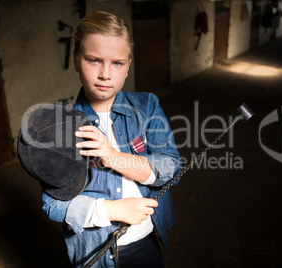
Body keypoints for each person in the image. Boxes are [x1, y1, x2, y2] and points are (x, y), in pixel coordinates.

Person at [41, 11, 181, 268]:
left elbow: (171, 168)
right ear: (75, 60)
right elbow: (52, 205)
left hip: (145, 241)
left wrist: (112, 155)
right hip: (94, 252)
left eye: (117, 63)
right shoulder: (59, 128)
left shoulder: (147, 106)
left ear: (128, 65)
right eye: (94, 60)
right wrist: (113, 210)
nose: (106, 74)